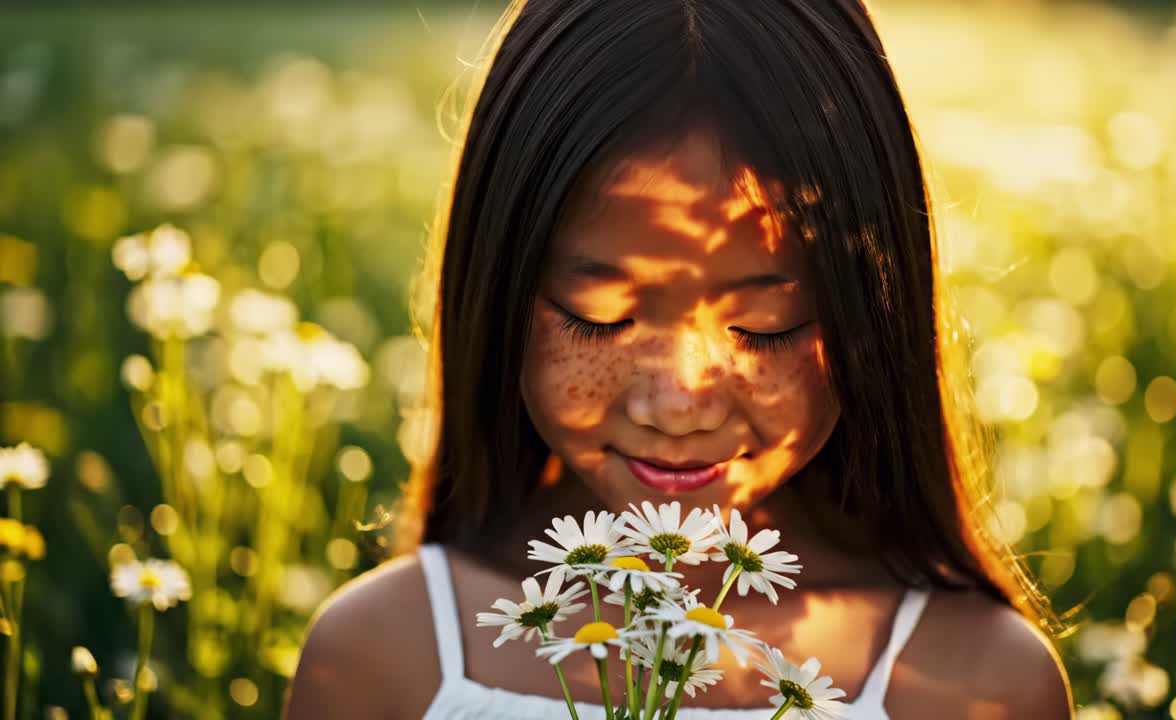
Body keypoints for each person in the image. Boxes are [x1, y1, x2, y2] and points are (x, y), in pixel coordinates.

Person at [285, 0, 1076, 717]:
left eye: (767, 325)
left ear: (876, 310)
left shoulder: (979, 685)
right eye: (601, 317)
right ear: (494, 288)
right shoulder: (384, 659)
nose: (678, 402)